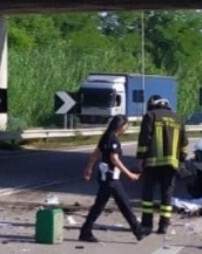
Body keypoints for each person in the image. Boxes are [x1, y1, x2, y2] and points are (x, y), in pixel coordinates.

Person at [79, 115, 145, 243]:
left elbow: (95, 154)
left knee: (99, 206)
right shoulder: (113, 139)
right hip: (111, 178)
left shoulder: (106, 136)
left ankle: (85, 231)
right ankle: (138, 231)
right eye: (126, 125)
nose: (127, 128)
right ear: (121, 126)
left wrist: (89, 168)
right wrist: (129, 174)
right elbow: (114, 159)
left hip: (105, 177)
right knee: (125, 204)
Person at [137, 94, 188, 234]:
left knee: (148, 196)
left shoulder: (150, 116)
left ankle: (147, 225)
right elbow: (184, 144)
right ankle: (164, 225)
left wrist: (140, 158)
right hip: (171, 164)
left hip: (152, 163)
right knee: (167, 195)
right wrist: (181, 161)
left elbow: (144, 139)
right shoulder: (178, 118)